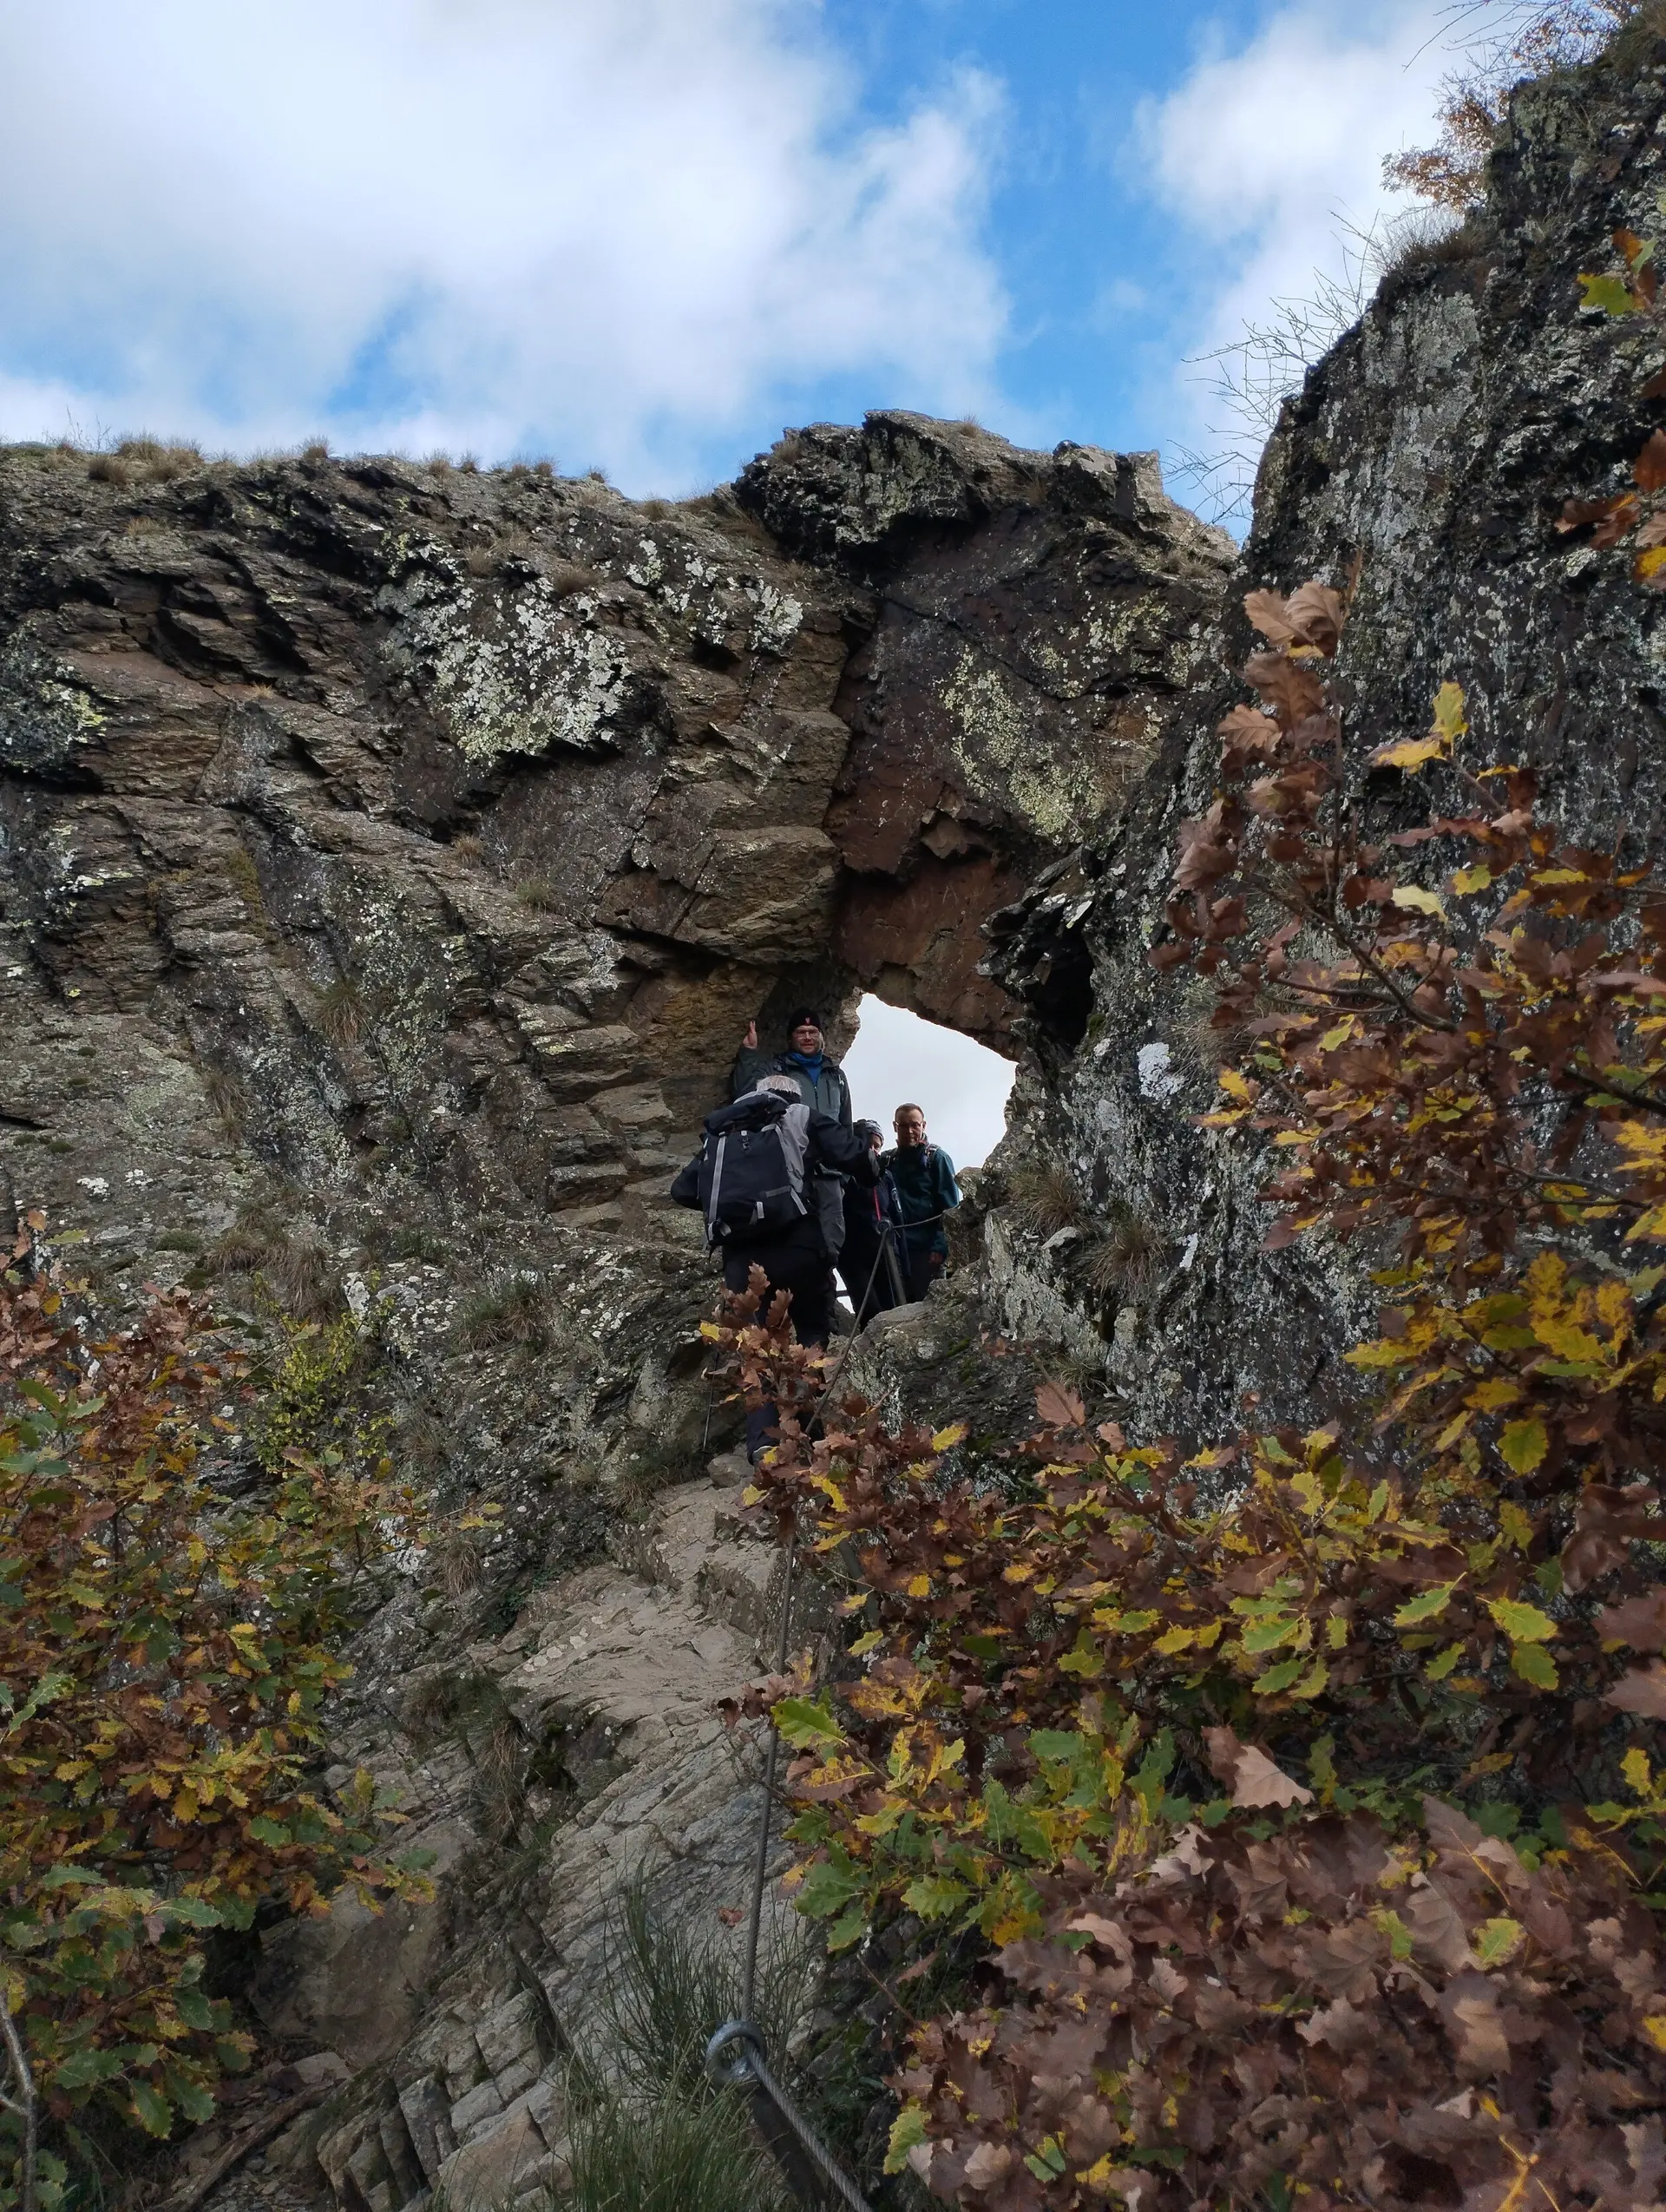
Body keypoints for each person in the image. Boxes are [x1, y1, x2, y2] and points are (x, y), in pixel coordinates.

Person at [671, 1072, 879, 1461]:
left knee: (757, 1348)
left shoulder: (723, 1131)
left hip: (742, 1259)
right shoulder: (801, 1116)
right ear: (792, 1095)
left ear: (756, 1094)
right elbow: (854, 1157)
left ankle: (764, 1442)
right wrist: (871, 1168)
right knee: (812, 1329)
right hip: (799, 1245)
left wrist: (742, 1210)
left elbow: (682, 1190)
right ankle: (807, 1425)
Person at [882, 1102, 961, 1304]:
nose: (909, 1131)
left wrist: (940, 1247)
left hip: (928, 1251)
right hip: (898, 1250)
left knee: (931, 1309)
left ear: (923, 1125)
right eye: (903, 1125)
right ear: (895, 1127)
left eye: (915, 1125)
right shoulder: (888, 1161)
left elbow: (951, 1207)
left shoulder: (937, 1159)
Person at [731, 1008, 853, 1128]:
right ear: (790, 1038)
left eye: (813, 1032)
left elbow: (846, 1123)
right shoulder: (775, 1069)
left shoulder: (836, 1075)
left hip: (830, 1146)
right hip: (793, 1145)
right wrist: (749, 1051)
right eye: (800, 1032)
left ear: (821, 1036)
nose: (807, 1037)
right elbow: (745, 1096)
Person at [839, 1120, 908, 1323]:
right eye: (868, 1144)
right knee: (869, 1309)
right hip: (853, 1254)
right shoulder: (843, 1176)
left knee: (894, 1307)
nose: (873, 1150)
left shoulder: (886, 1177)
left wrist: (905, 1263)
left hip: (886, 1251)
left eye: (877, 1146)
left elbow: (898, 1217)